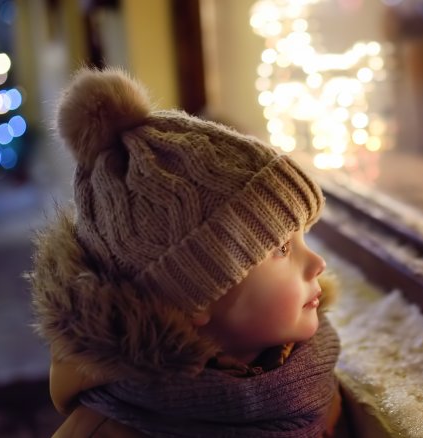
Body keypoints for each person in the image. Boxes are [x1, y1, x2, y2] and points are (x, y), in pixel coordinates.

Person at [29, 68, 342, 437]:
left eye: (303, 237)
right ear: (195, 297)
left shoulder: (308, 376)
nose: (317, 264)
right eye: (282, 248)